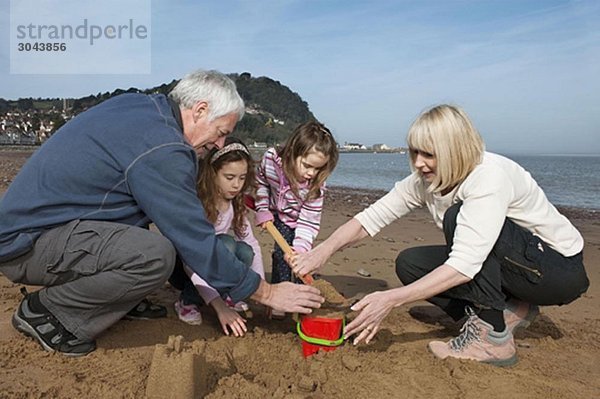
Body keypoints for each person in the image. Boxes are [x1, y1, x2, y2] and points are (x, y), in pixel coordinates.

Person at [0, 69, 323, 356]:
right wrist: (265, 291)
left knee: (142, 225)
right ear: (199, 111)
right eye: (221, 131)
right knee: (155, 255)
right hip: (26, 244)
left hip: (40, 226)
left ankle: (115, 299)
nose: (220, 143)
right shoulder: (164, 148)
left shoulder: (144, 108)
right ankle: (48, 313)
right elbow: (193, 237)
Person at [291, 104, 589, 366]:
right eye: (415, 152)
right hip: (514, 266)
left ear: (453, 150)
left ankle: (491, 338)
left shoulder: (488, 176)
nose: (419, 162)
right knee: (411, 263)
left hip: (555, 271)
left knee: (457, 217)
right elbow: (371, 218)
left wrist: (391, 300)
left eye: (429, 154)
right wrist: (323, 251)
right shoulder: (426, 179)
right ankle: (510, 311)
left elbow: (465, 263)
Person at [172, 137, 264, 337]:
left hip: (212, 261)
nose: (237, 185)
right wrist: (219, 307)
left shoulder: (234, 202)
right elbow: (192, 259)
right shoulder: (200, 204)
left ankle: (225, 294)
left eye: (242, 178)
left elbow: (251, 243)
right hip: (184, 264)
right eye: (229, 177)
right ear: (212, 173)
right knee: (226, 245)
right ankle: (187, 301)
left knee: (245, 251)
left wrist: (261, 287)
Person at [254, 121, 338, 318]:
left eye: (318, 168)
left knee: (300, 261)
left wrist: (300, 250)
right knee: (280, 256)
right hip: (277, 217)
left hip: (300, 221)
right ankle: (279, 300)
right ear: (292, 152)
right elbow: (261, 182)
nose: (311, 173)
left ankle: (303, 298)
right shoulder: (271, 160)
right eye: (307, 165)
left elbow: (308, 221)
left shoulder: (315, 186)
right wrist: (263, 208)